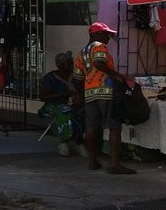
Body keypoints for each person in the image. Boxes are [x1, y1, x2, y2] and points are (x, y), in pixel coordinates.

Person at [75, 22, 136, 174]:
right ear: (96, 34)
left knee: (91, 128)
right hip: (107, 91)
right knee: (114, 127)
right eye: (106, 34)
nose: (108, 37)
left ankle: (92, 160)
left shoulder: (81, 53)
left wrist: (81, 94)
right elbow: (99, 63)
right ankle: (114, 164)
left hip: (90, 93)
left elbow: (77, 78)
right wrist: (117, 76)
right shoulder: (99, 46)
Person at [39, 51, 84, 157]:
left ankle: (79, 140)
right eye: (68, 63)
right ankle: (65, 141)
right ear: (59, 65)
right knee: (64, 110)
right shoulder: (50, 78)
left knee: (84, 111)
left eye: (71, 63)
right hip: (53, 105)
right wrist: (63, 94)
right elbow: (43, 97)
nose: (71, 65)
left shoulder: (75, 77)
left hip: (73, 104)